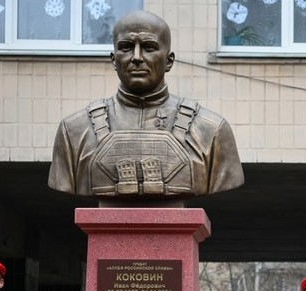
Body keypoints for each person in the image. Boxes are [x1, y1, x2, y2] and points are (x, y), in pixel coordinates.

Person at [48, 10, 244, 198]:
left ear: (169, 61)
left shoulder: (211, 131)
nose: (136, 57)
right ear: (114, 59)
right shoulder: (74, 131)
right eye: (126, 47)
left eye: (149, 47)